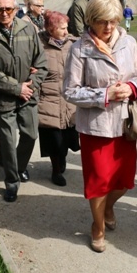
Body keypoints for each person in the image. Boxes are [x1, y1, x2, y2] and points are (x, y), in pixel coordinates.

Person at [63, 0, 137, 253]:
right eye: (102, 22)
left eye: (113, 21)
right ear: (91, 20)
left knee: (123, 181)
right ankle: (97, 227)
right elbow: (70, 91)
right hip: (95, 127)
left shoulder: (129, 42)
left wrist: (131, 87)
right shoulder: (79, 48)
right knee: (98, 181)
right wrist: (104, 95)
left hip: (124, 125)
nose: (108, 27)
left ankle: (109, 207)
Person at [0, 0, 48, 203]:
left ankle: (20, 166)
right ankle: (12, 181)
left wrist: (31, 85)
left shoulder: (27, 28)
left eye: (8, 9)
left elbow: (41, 63)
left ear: (16, 10)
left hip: (28, 95)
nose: (4, 13)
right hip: (4, 97)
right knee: (8, 141)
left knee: (31, 135)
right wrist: (17, 88)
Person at [38, 11, 79, 186]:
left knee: (68, 137)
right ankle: (55, 170)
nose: (65, 31)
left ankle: (62, 158)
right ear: (49, 28)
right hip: (48, 98)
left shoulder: (73, 44)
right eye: (61, 28)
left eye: (66, 27)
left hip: (69, 98)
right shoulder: (38, 44)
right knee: (53, 138)